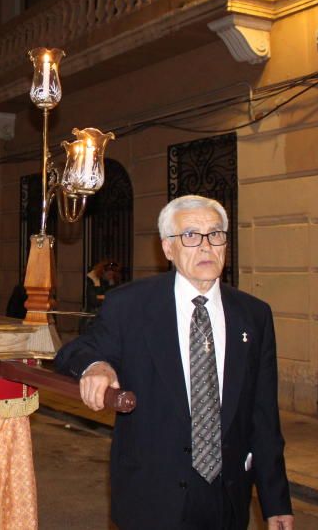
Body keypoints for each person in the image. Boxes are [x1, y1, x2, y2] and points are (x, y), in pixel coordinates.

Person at [55, 195, 293, 529]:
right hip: (152, 496)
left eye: (216, 234)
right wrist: (96, 366)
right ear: (168, 248)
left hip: (226, 497)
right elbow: (72, 352)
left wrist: (276, 501)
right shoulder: (131, 305)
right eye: (191, 236)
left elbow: (264, 415)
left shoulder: (253, 316)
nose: (206, 246)